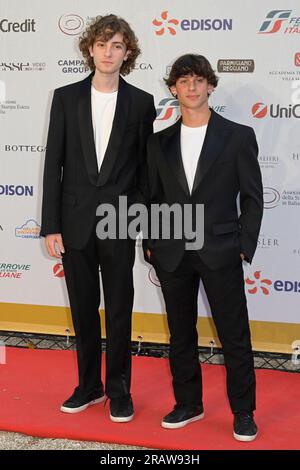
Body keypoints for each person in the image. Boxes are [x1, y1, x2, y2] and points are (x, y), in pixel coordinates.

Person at [41, 14, 156, 423]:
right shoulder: (66, 97)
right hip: (73, 222)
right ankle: (88, 387)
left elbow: (146, 169)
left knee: (121, 308)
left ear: (128, 53)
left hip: (120, 222)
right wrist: (50, 225)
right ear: (90, 48)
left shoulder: (142, 102)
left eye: (118, 45)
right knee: (83, 308)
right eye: (103, 44)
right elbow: (53, 162)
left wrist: (135, 215)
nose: (109, 52)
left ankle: (119, 391)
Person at [144, 54, 263, 441]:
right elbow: (152, 198)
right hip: (172, 252)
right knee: (180, 334)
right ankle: (188, 404)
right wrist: (150, 242)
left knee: (234, 335)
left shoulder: (238, 135)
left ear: (210, 85)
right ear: (173, 89)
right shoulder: (158, 142)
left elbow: (253, 197)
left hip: (221, 249)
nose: (191, 87)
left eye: (198, 80)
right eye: (183, 81)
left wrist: (244, 245)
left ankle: (243, 412)